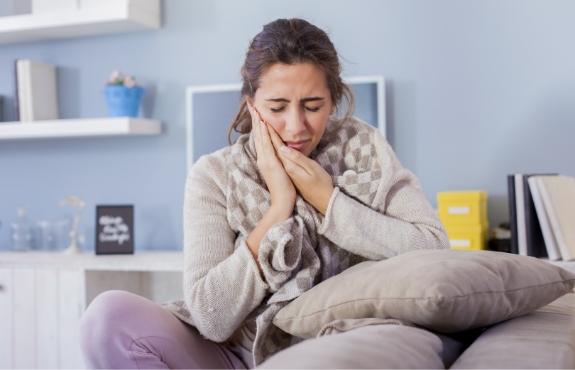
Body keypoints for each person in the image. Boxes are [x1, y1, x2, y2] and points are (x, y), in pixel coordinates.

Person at [80, 18, 449, 369]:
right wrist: (279, 207)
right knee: (106, 318)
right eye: (277, 107)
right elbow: (210, 317)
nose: (296, 127)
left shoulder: (365, 151)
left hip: (332, 347)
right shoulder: (214, 174)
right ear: (251, 104)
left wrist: (327, 201)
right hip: (232, 354)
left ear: (333, 101)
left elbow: (433, 248)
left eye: (313, 106)